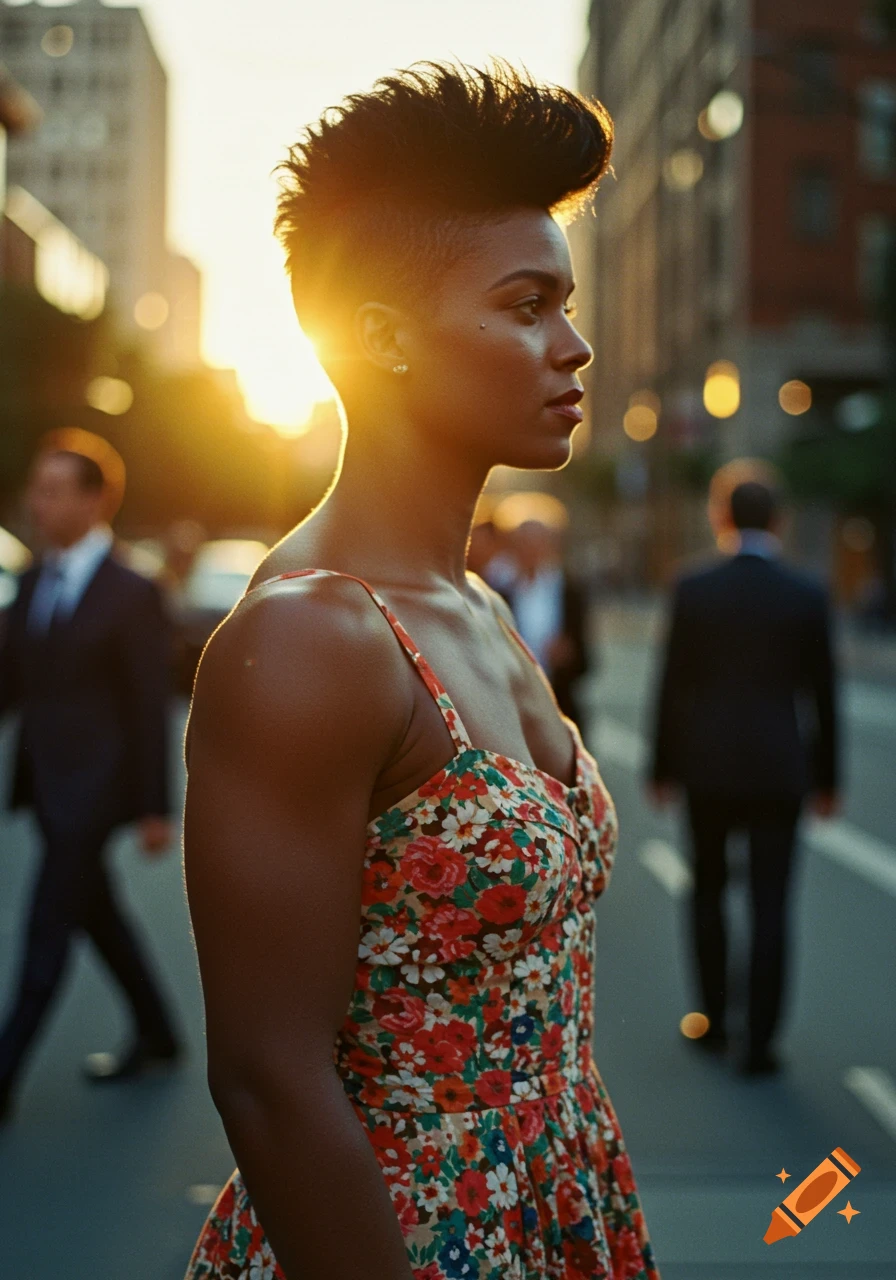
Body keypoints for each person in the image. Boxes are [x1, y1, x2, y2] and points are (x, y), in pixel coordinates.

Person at [183, 62, 660, 1280]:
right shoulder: (309, 639)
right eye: (523, 304)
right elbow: (268, 1079)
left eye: (563, 300)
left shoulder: (477, 603)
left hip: (563, 1204)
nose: (573, 342)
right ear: (382, 335)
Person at [0, 448, 181, 1123]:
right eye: (35, 489)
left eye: (51, 491)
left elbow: (147, 706)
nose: (37, 504)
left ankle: (4, 1069)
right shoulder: (32, 577)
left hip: (98, 789)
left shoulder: (131, 591)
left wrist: (155, 808)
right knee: (95, 916)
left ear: (92, 501)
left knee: (48, 922)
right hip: (46, 781)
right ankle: (158, 1033)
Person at [649, 462, 839, 1076]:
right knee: (771, 901)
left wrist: (662, 765)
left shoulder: (694, 588)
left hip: (707, 767)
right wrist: (828, 778)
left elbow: (672, 686)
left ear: (721, 516)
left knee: (706, 892)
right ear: (778, 520)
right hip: (780, 768)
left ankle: (711, 1017)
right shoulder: (806, 592)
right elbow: (822, 696)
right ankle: (760, 1042)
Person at [495, 503, 591, 726]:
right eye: (524, 542)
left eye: (538, 541)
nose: (531, 549)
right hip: (512, 711)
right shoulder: (499, 590)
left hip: (559, 708)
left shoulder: (570, 591)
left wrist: (567, 655)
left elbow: (587, 661)